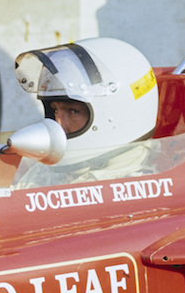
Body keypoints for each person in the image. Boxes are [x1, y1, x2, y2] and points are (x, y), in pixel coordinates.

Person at [13, 38, 160, 187]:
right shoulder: (45, 174)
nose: (57, 123)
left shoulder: (141, 189)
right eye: (55, 110)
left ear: (118, 114)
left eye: (73, 111)